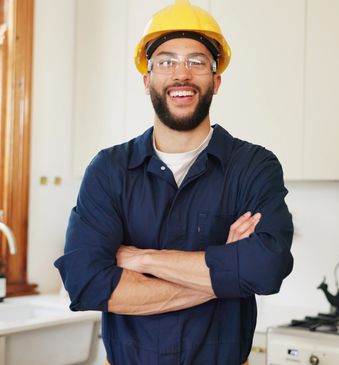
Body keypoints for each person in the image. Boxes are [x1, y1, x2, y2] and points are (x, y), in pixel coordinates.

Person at [55, 1, 294, 364]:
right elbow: (87, 283)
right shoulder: (109, 170)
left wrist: (141, 258)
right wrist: (225, 275)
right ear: (147, 79)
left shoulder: (253, 165)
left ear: (215, 81)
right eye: (166, 62)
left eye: (196, 62)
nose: (181, 74)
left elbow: (266, 268)